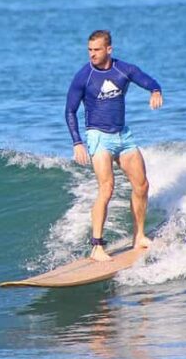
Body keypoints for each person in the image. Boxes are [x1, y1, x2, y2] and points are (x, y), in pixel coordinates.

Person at [65, 29, 163, 261]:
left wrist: (156, 91)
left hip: (123, 135)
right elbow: (70, 110)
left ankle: (138, 236)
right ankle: (97, 246)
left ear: (109, 49)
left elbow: (149, 80)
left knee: (142, 185)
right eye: (89, 50)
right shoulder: (84, 76)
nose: (92, 54)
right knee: (107, 188)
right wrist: (77, 142)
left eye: (97, 50)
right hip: (98, 136)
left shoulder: (124, 69)